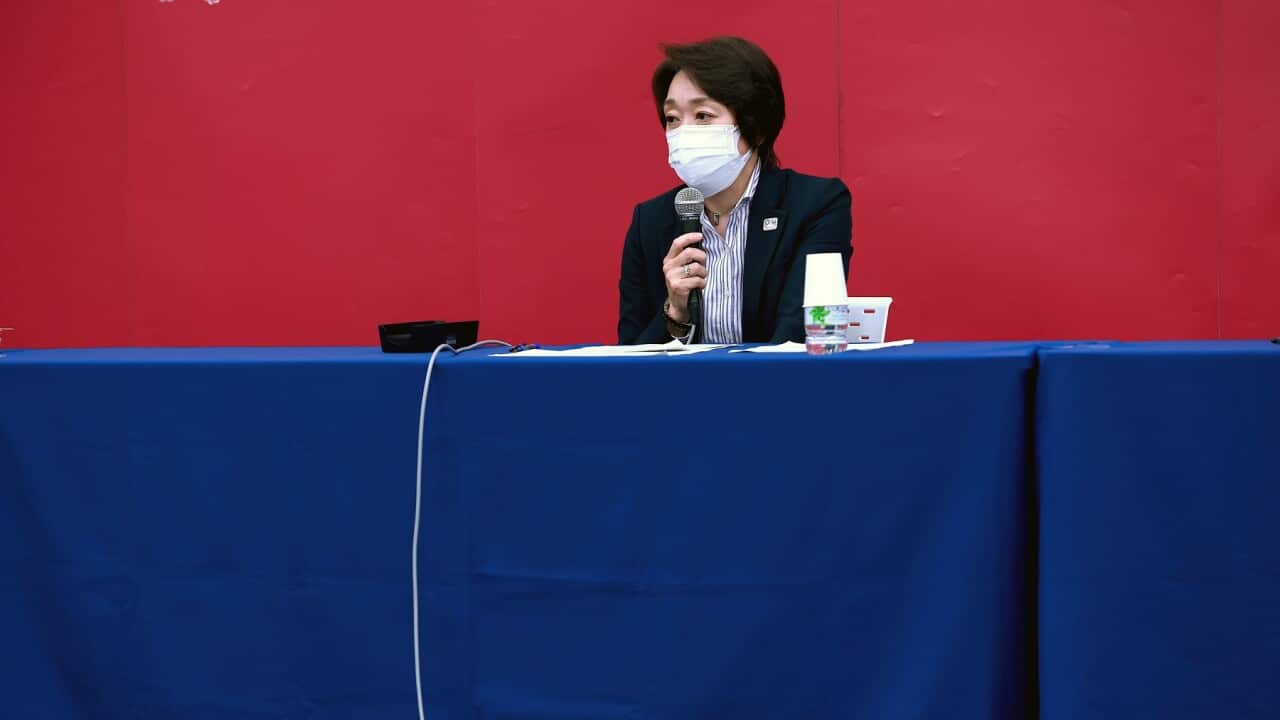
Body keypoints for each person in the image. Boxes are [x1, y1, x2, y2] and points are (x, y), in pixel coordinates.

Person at [618, 36, 853, 345]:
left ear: (756, 128)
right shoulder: (650, 222)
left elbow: (800, 334)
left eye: (703, 116)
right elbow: (629, 354)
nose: (683, 132)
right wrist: (675, 313)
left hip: (777, 377)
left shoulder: (814, 205)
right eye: (672, 119)